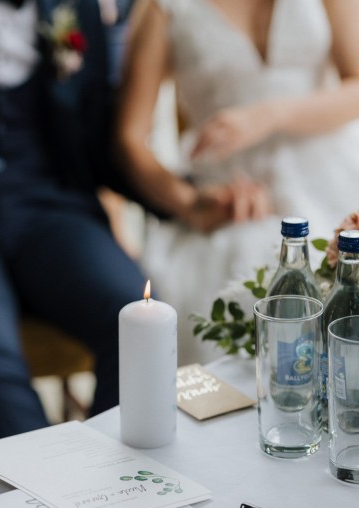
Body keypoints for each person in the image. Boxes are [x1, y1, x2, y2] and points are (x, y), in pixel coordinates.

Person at [115, 0, 359, 365]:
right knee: (248, 292)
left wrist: (271, 113)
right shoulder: (162, 9)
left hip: (336, 177)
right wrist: (189, 202)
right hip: (238, 201)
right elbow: (130, 138)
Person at [0, 0, 150, 442]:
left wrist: (184, 201)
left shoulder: (75, 7)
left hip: (51, 210)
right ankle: (46, 490)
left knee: (134, 317)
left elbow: (102, 135)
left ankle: (109, 476)